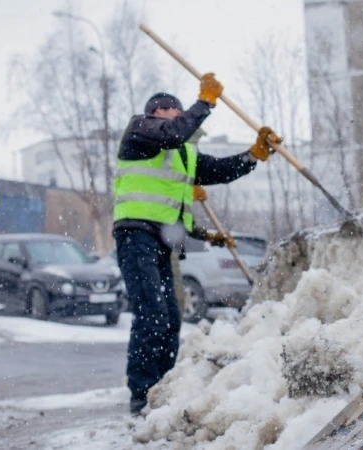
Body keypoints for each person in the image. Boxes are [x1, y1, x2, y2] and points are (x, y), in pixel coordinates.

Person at [113, 72, 282, 415]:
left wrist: (252, 155)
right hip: (135, 235)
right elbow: (174, 133)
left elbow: (220, 169)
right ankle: (142, 392)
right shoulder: (139, 130)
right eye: (172, 112)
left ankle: (163, 387)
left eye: (180, 112)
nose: (179, 118)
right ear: (157, 112)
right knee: (151, 314)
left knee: (171, 318)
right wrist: (205, 102)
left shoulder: (184, 154)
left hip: (162, 241)